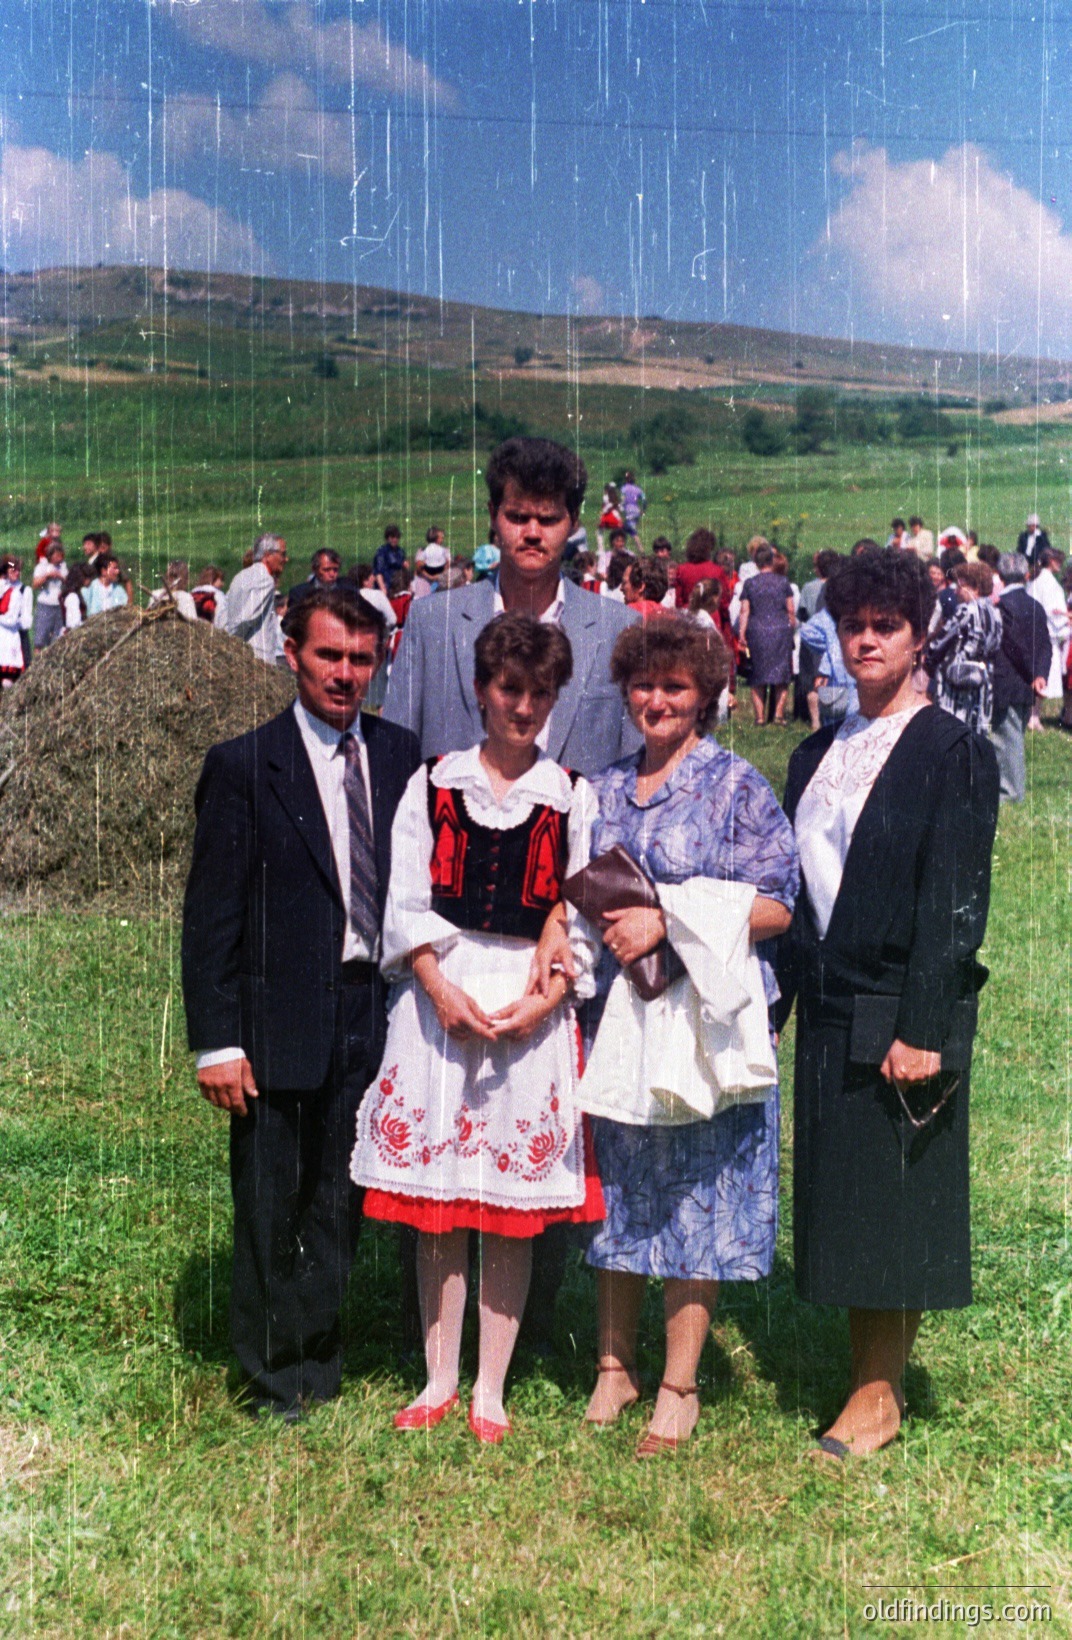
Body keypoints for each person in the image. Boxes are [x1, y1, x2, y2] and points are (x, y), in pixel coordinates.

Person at [382, 436, 639, 1357]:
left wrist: (568, 928)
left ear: (575, 527)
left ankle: (527, 1327)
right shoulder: (435, 619)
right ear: (493, 519)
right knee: (448, 1115)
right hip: (453, 917)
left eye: (549, 518)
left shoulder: (611, 628)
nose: (531, 532)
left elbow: (616, 784)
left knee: (546, 1111)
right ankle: (436, 1337)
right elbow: (401, 754)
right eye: (515, 515)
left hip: (563, 915)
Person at [544, 618, 798, 1454]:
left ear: (708, 697)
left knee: (699, 1194)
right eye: (645, 686)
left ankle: (680, 1383)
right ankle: (612, 1366)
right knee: (619, 1188)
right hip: (620, 1018)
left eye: (676, 688)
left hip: (704, 1023)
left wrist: (669, 918)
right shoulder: (607, 788)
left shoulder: (737, 788)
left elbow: (777, 905)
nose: (657, 701)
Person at [352, 613, 601, 1442]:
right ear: (480, 691)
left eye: (539, 693)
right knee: (440, 1200)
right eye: (508, 690)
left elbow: (583, 914)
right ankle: (437, 1378)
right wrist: (435, 986)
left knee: (505, 1204)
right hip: (439, 1005)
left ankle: (491, 1386)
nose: (522, 707)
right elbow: (405, 904)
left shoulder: (571, 795)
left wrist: (546, 995)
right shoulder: (432, 783)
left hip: (530, 1010)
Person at [778, 549, 999, 1458]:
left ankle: (879, 1398)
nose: (865, 639)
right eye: (853, 622)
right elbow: (797, 895)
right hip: (830, 1007)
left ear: (919, 639)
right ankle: (866, 1376)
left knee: (894, 1205)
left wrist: (923, 1029)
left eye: (887, 626)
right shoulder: (814, 750)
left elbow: (956, 905)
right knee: (846, 1202)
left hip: (900, 1008)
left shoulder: (953, 750)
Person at [182, 587, 421, 1419]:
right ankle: (271, 1373)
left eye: (361, 659)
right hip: (275, 1018)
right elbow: (210, 917)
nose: (346, 674)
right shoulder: (245, 765)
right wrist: (217, 1041)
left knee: (339, 1195)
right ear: (291, 653)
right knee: (270, 1195)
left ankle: (319, 1356)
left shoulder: (400, 757)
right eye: (329, 656)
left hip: (372, 1013)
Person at [991, 553, 1051, 801]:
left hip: (1007, 681)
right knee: (1013, 737)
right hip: (1027, 684)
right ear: (1026, 575)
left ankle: (1012, 792)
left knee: (1007, 740)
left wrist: (1031, 674)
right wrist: (1040, 674)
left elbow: (1013, 644)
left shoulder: (1001, 605)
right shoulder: (1035, 605)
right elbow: (1045, 644)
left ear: (1000, 575)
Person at [925, 562, 1002, 734]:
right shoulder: (995, 612)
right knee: (975, 731)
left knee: (951, 731)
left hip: (956, 682)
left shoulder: (966, 611)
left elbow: (941, 640)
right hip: (983, 678)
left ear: (975, 587)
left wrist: (929, 659)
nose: (956, 591)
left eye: (960, 586)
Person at [737, 542, 795, 726]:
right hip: (780, 629)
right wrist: (790, 628)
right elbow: (790, 610)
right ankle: (778, 715)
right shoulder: (784, 582)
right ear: (772, 560)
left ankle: (760, 718)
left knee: (757, 675)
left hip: (757, 630)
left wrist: (742, 634)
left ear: (756, 562)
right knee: (781, 675)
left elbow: (744, 611)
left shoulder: (749, 583)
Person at [226, 533, 287, 664]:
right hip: (257, 658)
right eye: (283, 554)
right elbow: (246, 618)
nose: (286, 559)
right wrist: (230, 643)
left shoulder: (240, 576)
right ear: (268, 555)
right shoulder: (265, 579)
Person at [1028, 546, 1069, 724]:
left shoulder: (1034, 581)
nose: (1060, 565)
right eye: (1058, 560)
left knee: (1035, 676)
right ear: (1052, 562)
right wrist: (1066, 627)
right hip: (1047, 636)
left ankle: (1033, 715)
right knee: (1043, 677)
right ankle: (1034, 716)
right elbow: (1055, 613)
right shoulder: (1052, 585)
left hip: (1032, 633)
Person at [32, 540, 68, 649]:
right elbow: (35, 584)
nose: (59, 558)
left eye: (60, 555)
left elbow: (69, 581)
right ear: (50, 555)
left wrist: (60, 576)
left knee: (57, 638)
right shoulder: (42, 566)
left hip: (58, 605)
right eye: (56, 555)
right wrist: (47, 576)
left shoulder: (63, 566)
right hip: (45, 604)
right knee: (40, 638)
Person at [0, 557, 27, 686]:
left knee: (8, 677)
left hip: (9, 637)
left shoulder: (17, 593)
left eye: (18, 571)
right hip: (2, 636)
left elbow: (12, 620)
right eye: (12, 570)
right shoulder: (3, 588)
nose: (16, 573)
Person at [622, 556, 669, 620]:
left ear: (640, 587)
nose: (621, 588)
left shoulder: (628, 612)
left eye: (624, 583)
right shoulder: (667, 614)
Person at [372, 526, 406, 595]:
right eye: (392, 537)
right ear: (388, 538)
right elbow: (378, 573)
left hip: (397, 586)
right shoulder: (382, 552)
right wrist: (383, 588)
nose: (395, 539)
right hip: (386, 585)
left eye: (397, 537)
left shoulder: (400, 551)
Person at [62, 564, 91, 633]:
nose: (90, 580)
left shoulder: (76, 594)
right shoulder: (72, 597)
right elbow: (74, 624)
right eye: (88, 577)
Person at [620, 471, 646, 544]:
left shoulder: (624, 489)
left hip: (628, 511)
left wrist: (621, 510)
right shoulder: (638, 489)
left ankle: (641, 550)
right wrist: (643, 510)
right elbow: (644, 500)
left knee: (630, 531)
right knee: (630, 530)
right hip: (636, 511)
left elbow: (623, 500)